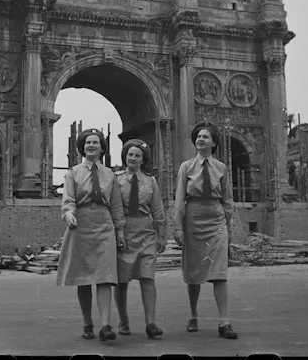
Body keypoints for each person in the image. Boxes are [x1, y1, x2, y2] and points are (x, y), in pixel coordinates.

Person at [56, 128, 126, 342]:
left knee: (105, 276)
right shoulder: (73, 173)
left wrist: (119, 230)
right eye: (88, 143)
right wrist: (68, 214)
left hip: (104, 224)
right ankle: (88, 322)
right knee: (84, 278)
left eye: (95, 143)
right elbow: (67, 200)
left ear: (102, 148)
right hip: (81, 224)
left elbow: (115, 205)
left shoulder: (110, 175)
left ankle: (106, 325)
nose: (91, 146)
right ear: (82, 148)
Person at [173, 120, 238, 339]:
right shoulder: (186, 167)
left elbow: (228, 199)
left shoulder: (221, 168)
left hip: (216, 219)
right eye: (198, 137)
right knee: (194, 272)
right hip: (194, 218)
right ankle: (193, 314)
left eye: (205, 137)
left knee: (219, 272)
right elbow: (180, 198)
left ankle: (224, 321)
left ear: (214, 142)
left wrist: (228, 225)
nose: (200, 139)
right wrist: (178, 227)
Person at [113, 139, 167, 339]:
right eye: (130, 154)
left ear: (143, 159)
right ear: (125, 157)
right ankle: (123, 320)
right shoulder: (116, 180)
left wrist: (161, 235)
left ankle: (151, 323)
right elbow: (115, 208)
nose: (133, 158)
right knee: (122, 280)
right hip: (124, 231)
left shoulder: (150, 181)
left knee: (147, 278)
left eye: (137, 155)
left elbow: (158, 209)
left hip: (146, 231)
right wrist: (118, 232)